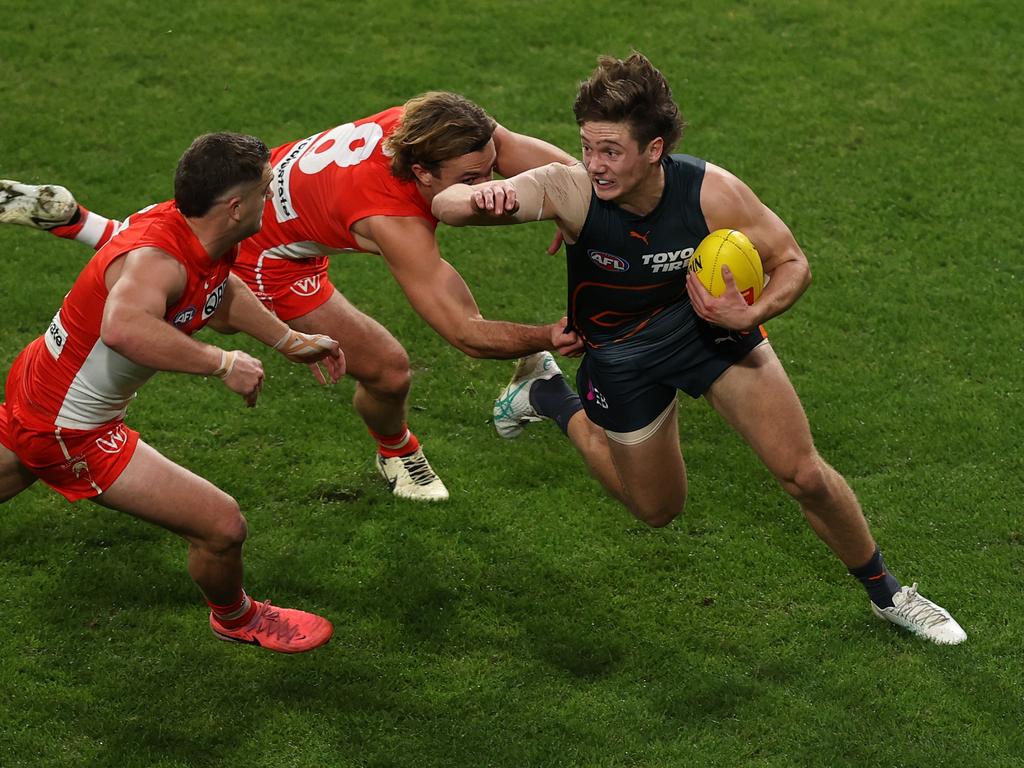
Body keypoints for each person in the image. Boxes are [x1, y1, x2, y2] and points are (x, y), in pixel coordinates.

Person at [431, 53, 966, 645]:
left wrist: (752, 312)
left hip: (707, 330)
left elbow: (791, 261)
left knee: (804, 474)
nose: (593, 164)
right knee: (657, 511)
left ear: (654, 149)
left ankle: (889, 593)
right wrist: (479, 200)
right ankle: (552, 395)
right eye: (587, 147)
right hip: (622, 359)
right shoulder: (571, 190)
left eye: (611, 151)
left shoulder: (711, 192)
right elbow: (446, 206)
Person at [0, 92, 580, 502]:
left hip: (273, 202)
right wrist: (549, 335)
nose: (488, 189)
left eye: (490, 173)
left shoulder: (430, 123)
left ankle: (79, 222)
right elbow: (466, 335)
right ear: (423, 173)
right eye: (470, 181)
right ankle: (397, 450)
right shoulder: (392, 220)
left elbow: (513, 149)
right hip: (261, 258)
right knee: (388, 370)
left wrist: (574, 199)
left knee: (163, 259)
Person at [0, 132, 346, 653]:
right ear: (234, 207)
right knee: (221, 525)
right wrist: (222, 363)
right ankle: (237, 618)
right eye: (266, 189)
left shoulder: (188, 227)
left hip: (42, 384)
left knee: (21, 457)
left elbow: (218, 288)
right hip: (70, 428)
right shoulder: (157, 262)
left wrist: (287, 339)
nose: (272, 197)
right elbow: (125, 328)